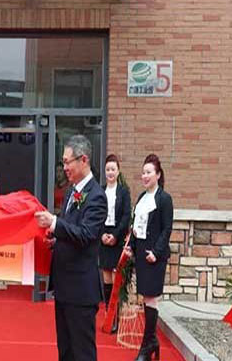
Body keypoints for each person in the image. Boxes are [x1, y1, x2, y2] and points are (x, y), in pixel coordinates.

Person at [35, 135, 107, 361]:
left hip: (81, 291)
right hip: (65, 287)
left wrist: (54, 223)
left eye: (67, 162)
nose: (64, 167)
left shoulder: (97, 196)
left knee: (82, 353)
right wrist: (55, 240)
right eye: (63, 162)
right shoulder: (71, 191)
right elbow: (71, 231)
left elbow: (86, 235)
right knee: (65, 352)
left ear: (83, 160)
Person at [124, 154, 173, 361]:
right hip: (142, 255)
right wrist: (131, 247)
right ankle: (151, 341)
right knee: (146, 297)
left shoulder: (164, 199)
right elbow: (136, 227)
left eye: (149, 172)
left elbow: (166, 229)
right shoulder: (141, 198)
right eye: (143, 172)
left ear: (158, 175)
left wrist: (156, 252)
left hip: (155, 256)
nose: (145, 176)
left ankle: (147, 345)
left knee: (151, 297)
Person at [99, 154, 131, 333]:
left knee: (115, 277)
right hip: (103, 236)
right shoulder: (100, 191)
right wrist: (102, 234)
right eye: (107, 169)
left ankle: (115, 318)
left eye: (113, 169)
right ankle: (107, 314)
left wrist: (115, 236)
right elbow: (96, 214)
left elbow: (126, 216)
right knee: (105, 278)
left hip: (117, 238)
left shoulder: (123, 192)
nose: (110, 172)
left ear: (118, 171)